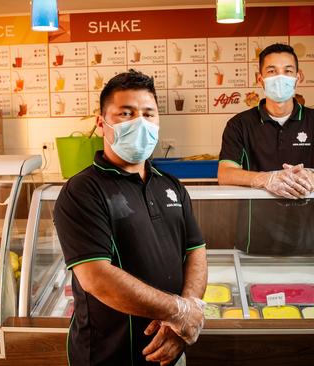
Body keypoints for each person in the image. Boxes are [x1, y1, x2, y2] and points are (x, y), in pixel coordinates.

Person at [54, 69, 207, 366]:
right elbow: (97, 278)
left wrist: (184, 317)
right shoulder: (82, 190)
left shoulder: (170, 184)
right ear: (102, 123)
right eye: (126, 113)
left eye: (148, 114)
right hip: (107, 356)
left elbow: (195, 251)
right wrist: (176, 312)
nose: (140, 122)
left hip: (170, 347)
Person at [217, 43, 314, 255]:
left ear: (299, 77)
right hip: (255, 240)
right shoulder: (239, 124)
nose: (280, 77)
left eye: (288, 71)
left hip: (305, 238)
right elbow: (225, 173)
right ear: (260, 79)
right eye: (272, 71)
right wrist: (267, 179)